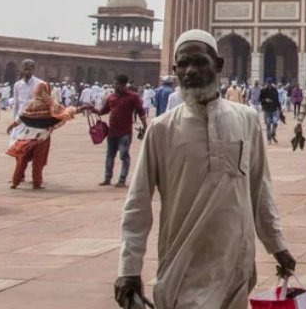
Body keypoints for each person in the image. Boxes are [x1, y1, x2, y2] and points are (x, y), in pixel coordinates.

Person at [115, 29, 294, 309]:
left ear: (218, 65)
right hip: (182, 263)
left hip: (235, 261)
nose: (190, 71)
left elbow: (259, 190)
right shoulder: (161, 130)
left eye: (199, 62)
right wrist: (129, 268)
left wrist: (277, 245)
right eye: (183, 64)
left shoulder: (246, 120)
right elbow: (137, 205)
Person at [5, 81, 80, 190]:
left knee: (22, 160)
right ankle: (37, 183)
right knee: (38, 161)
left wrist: (12, 125)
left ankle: (15, 182)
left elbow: (22, 116)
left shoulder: (32, 102)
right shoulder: (51, 103)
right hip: (42, 136)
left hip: (27, 136)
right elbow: (64, 113)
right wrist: (78, 110)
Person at [97, 75, 147, 188]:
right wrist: (93, 110)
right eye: (114, 83)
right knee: (110, 155)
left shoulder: (133, 97)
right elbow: (104, 111)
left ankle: (122, 179)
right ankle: (107, 178)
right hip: (112, 132)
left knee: (124, 155)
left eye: (116, 84)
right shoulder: (111, 98)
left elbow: (141, 111)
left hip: (125, 132)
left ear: (123, 85)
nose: (114, 86)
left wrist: (145, 126)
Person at [9, 59, 43, 145]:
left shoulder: (40, 84)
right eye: (25, 69)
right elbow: (16, 104)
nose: (27, 72)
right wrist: (15, 120)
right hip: (20, 117)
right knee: (15, 144)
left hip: (33, 119)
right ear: (22, 70)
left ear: (33, 70)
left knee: (30, 145)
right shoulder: (17, 85)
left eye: (30, 69)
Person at [258, 78, 281, 144]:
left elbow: (277, 100)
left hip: (274, 109)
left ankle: (273, 134)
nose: (269, 85)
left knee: (275, 123)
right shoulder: (263, 90)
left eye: (270, 84)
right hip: (267, 110)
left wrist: (280, 108)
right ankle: (269, 139)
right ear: (266, 83)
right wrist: (265, 100)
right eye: (268, 84)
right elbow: (260, 99)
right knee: (268, 124)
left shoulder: (275, 90)